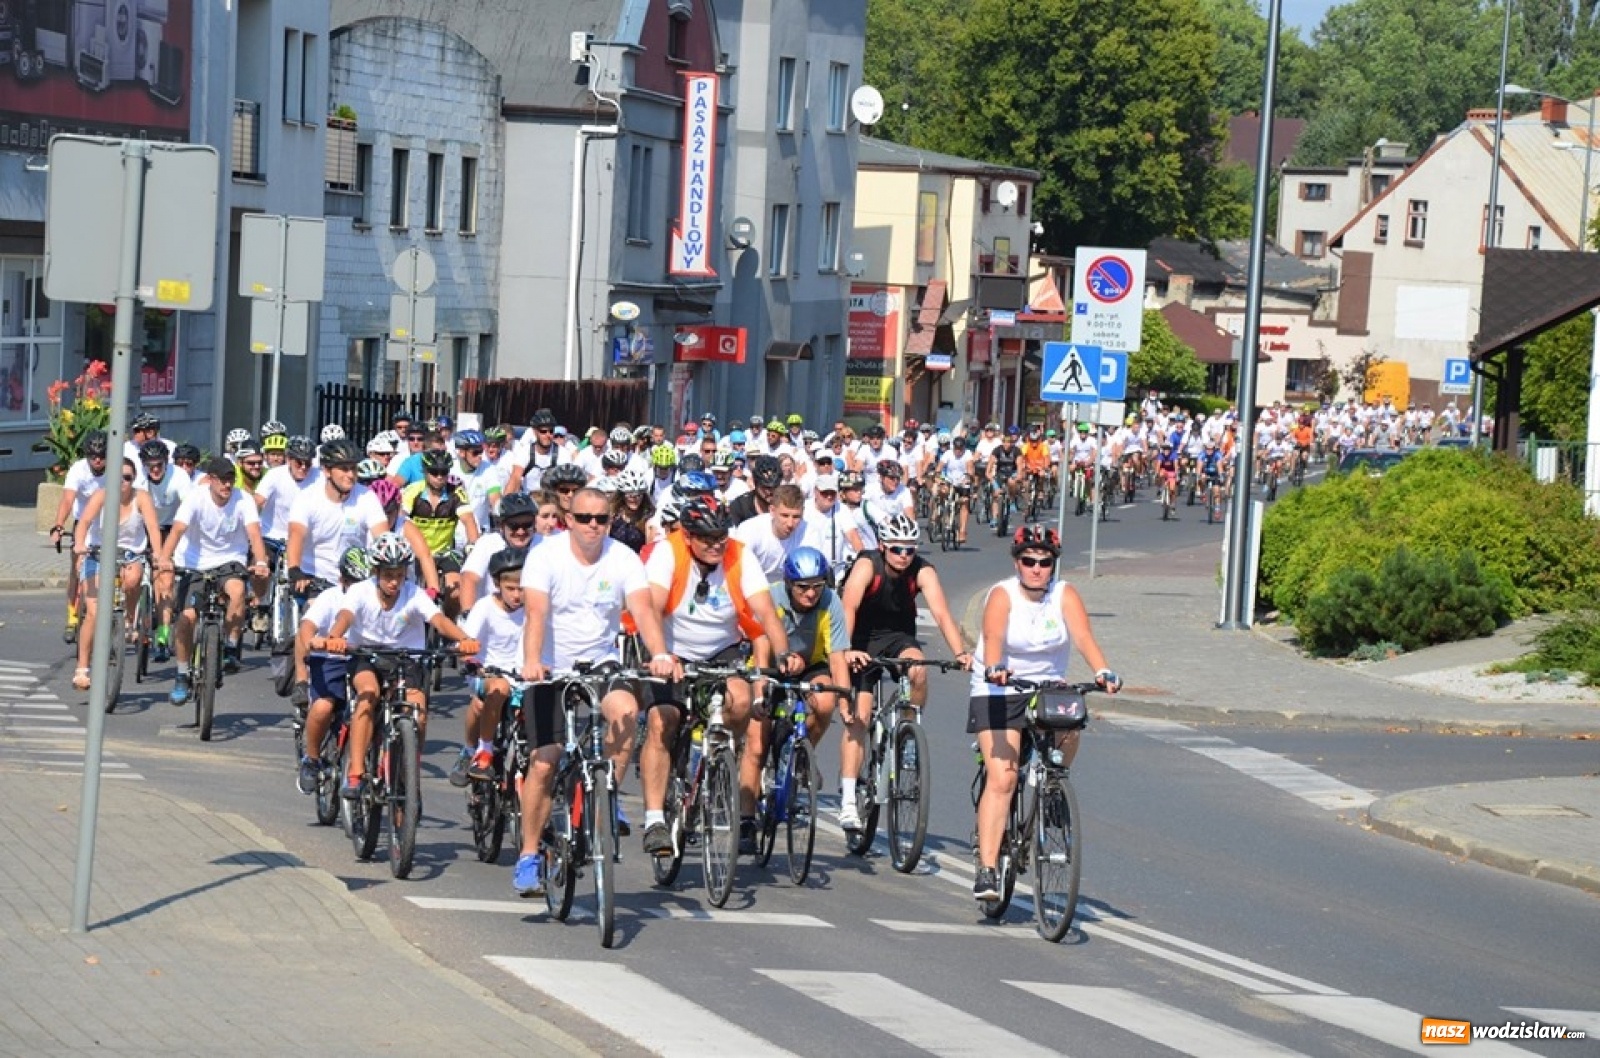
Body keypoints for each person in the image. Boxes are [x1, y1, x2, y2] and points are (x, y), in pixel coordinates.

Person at [515, 487, 678, 894]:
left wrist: (660, 653)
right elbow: (536, 613)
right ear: (568, 519)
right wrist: (533, 662)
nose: (593, 527)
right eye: (585, 518)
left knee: (625, 712)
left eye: (601, 520)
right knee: (544, 762)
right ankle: (529, 854)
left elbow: (642, 609)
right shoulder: (545, 556)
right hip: (551, 666)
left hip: (601, 662)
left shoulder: (622, 558)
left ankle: (602, 796)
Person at [638, 497, 799, 857]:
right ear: (688, 535)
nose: (715, 545)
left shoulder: (739, 555)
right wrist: (661, 655)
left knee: (742, 700)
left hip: (720, 649)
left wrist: (784, 653)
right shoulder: (669, 553)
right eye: (707, 538)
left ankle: (717, 759)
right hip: (671, 647)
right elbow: (652, 606)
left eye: (720, 537)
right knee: (663, 719)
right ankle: (654, 820)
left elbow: (765, 612)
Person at [969, 526, 1120, 900]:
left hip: (1046, 687)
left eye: (1045, 562)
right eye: (1029, 561)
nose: (1037, 568)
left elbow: (1083, 637)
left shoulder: (1064, 594)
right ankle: (988, 869)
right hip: (998, 686)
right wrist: (994, 667)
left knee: (1072, 723)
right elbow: (994, 638)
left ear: (1054, 564)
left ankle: (1054, 785)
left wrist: (1102, 671)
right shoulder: (1002, 595)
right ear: (1017, 562)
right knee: (1002, 779)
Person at [315, 532, 479, 801]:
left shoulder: (413, 593)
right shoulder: (360, 592)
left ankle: (407, 769)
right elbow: (346, 616)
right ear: (376, 572)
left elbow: (437, 619)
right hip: (366, 656)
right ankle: (356, 773)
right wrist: (334, 638)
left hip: (405, 660)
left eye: (400, 574)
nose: (394, 581)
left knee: (419, 713)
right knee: (368, 696)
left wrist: (464, 639)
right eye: (388, 574)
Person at [837, 513, 973, 832]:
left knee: (918, 671)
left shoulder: (922, 570)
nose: (903, 556)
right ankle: (846, 801)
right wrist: (846, 652)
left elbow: (940, 612)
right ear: (883, 545)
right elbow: (848, 607)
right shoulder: (867, 565)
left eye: (910, 549)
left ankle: (908, 734)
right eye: (897, 548)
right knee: (861, 715)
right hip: (862, 638)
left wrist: (960, 653)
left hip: (899, 636)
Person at [738, 547, 859, 851]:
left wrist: (845, 701)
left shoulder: (831, 602)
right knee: (757, 741)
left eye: (817, 586)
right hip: (769, 663)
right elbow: (761, 645)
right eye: (803, 587)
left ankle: (802, 755)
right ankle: (746, 821)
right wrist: (759, 692)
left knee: (827, 701)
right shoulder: (773, 597)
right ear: (790, 584)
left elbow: (836, 658)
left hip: (810, 664)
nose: (810, 594)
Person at [158, 455, 273, 704]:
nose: (227, 486)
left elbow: (255, 534)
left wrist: (261, 562)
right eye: (222, 480)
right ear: (210, 480)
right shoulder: (195, 498)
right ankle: (181, 673)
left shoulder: (243, 500)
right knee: (187, 618)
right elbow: (177, 530)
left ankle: (231, 645)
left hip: (230, 559)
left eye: (231, 480)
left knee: (237, 591)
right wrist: (165, 559)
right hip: (194, 562)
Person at [69, 458, 163, 691]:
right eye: (118, 477)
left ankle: (130, 619)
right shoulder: (101, 496)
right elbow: (84, 522)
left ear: (134, 480)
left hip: (131, 554)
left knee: (133, 580)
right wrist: (79, 544)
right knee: (94, 612)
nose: (122, 482)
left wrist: (160, 556)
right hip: (99, 553)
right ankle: (82, 668)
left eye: (128, 478)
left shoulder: (141, 498)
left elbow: (152, 528)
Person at [295, 546, 370, 795]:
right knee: (323, 707)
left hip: (364, 660)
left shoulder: (377, 599)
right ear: (342, 580)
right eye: (353, 583)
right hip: (329, 659)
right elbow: (306, 628)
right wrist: (312, 642)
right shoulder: (329, 598)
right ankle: (312, 759)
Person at [453, 546, 529, 789]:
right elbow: (467, 641)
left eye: (522, 588)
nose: (517, 595)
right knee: (496, 690)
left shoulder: (534, 608)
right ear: (497, 584)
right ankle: (480, 751)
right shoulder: (485, 607)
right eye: (511, 589)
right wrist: (470, 660)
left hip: (524, 675)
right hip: (488, 672)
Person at [50, 429, 112, 643]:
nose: (97, 460)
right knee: (77, 568)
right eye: (93, 456)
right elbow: (68, 499)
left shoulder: (116, 469)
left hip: (109, 523)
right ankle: (72, 616)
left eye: (102, 456)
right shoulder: (78, 469)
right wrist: (58, 525)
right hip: (83, 524)